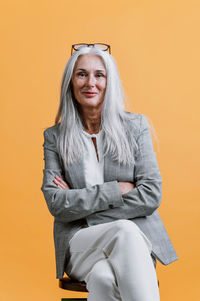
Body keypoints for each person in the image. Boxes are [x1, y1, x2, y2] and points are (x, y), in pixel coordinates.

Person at [41, 43, 178, 301]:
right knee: (124, 230)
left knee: (104, 279)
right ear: (70, 82)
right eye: (81, 74)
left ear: (109, 81)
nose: (90, 82)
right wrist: (115, 190)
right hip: (80, 243)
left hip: (133, 245)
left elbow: (150, 195)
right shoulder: (55, 137)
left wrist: (81, 202)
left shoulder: (136, 127)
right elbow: (57, 204)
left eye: (99, 75)